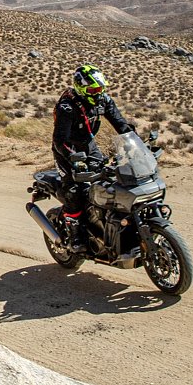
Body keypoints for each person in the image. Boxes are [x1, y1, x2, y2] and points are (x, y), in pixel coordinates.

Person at [51, 64, 133, 252]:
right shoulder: (67, 106)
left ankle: (105, 225)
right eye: (94, 89)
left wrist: (136, 142)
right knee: (74, 190)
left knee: (110, 179)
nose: (98, 93)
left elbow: (120, 124)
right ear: (82, 88)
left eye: (101, 89)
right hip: (67, 150)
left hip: (89, 146)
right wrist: (73, 158)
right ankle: (75, 236)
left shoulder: (103, 100)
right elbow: (59, 140)